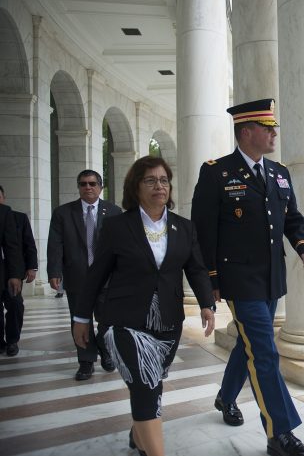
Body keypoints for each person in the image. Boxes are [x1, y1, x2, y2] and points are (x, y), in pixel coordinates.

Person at [192, 98, 304, 456]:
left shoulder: (279, 172)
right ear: (247, 132)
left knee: (250, 342)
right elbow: (204, 230)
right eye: (268, 128)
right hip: (238, 277)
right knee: (264, 350)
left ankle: (225, 396)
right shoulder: (216, 172)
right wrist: (210, 280)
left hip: (272, 277)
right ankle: (280, 434)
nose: (274, 133)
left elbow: (291, 217)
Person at [73, 156, 215, 456]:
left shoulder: (184, 227)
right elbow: (96, 274)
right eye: (150, 180)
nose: (159, 186)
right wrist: (82, 318)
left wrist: (206, 304)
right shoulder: (116, 227)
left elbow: (197, 269)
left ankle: (139, 435)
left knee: (153, 382)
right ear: (135, 187)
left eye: (163, 180)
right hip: (125, 320)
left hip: (167, 321)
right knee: (145, 384)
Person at [47, 170, 121, 380]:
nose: (87, 187)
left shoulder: (114, 212)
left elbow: (122, 245)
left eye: (92, 183)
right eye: (83, 184)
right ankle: (86, 362)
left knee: (108, 321)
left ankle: (106, 352)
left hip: (107, 279)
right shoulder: (63, 213)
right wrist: (54, 271)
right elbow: (55, 245)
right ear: (78, 187)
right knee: (80, 321)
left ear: (100, 187)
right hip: (77, 277)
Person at [0, 186, 38, 356]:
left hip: (10, 271)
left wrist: (29, 268)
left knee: (15, 305)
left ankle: (12, 340)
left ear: (4, 197)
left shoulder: (16, 217)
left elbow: (24, 245)